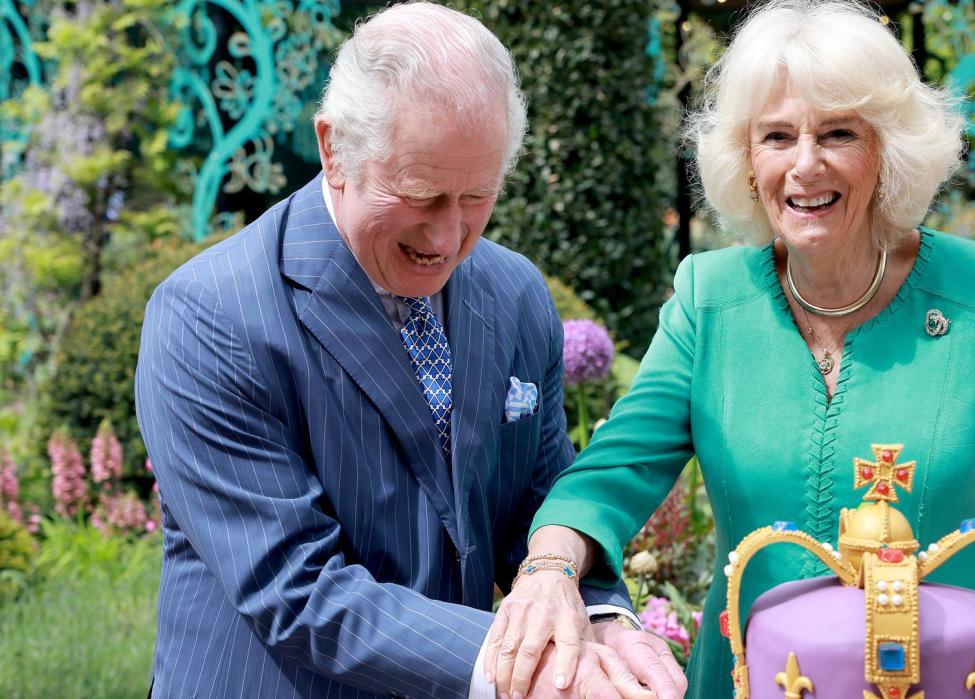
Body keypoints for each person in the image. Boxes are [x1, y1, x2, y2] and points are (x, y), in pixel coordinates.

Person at [484, 1, 975, 697]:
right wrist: (550, 569)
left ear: (887, 147)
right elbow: (609, 475)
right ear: (746, 159)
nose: (806, 165)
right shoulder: (708, 298)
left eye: (838, 133)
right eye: (776, 136)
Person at [135, 3, 684, 697]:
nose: (448, 236)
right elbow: (296, 590)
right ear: (334, 151)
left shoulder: (514, 294)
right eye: (420, 194)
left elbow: (541, 505)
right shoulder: (211, 317)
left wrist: (599, 621)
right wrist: (534, 667)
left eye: (478, 196)